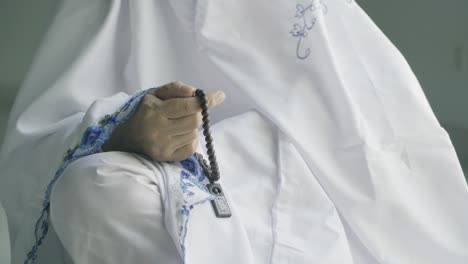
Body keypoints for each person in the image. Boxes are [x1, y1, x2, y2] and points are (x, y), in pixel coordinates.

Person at [1, 0, 468, 263]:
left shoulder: (325, 14)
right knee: (93, 191)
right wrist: (125, 127)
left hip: (322, 204)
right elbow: (33, 152)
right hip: (174, 190)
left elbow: (386, 153)